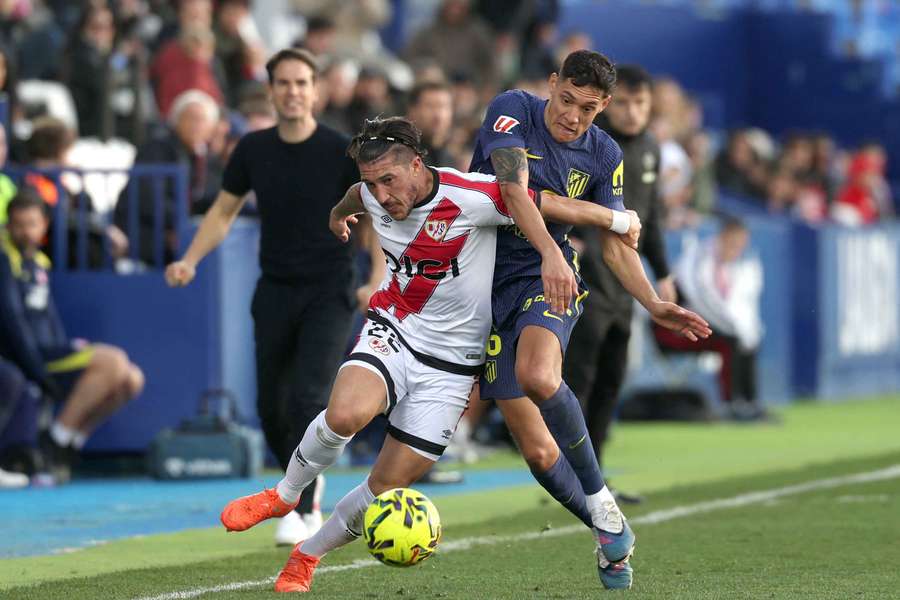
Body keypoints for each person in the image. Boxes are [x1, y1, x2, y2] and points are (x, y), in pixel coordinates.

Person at [216, 115, 663, 593]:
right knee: (345, 414)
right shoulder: (369, 193)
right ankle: (284, 496)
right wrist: (336, 213)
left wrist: (614, 217)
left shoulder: (470, 195)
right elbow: (353, 199)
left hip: (452, 369)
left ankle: (305, 558)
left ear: (417, 163)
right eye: (372, 183)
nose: (383, 195)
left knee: (384, 489)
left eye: (389, 180)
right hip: (395, 331)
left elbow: (545, 204)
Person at [469, 50, 711, 589]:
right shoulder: (511, 109)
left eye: (587, 108)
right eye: (566, 100)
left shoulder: (604, 155)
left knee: (539, 376)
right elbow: (513, 190)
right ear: (551, 84)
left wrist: (652, 303)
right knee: (535, 450)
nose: (572, 116)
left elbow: (619, 246)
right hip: (477, 279)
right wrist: (573, 236)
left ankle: (601, 499)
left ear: (603, 106)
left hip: (542, 278)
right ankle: (611, 530)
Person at [164, 48, 383, 546]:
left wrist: (374, 278)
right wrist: (190, 259)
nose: (292, 91)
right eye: (283, 83)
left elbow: (371, 216)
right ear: (270, 90)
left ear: (316, 89)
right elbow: (222, 212)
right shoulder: (251, 149)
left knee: (308, 396)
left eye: (301, 82)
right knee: (269, 407)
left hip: (330, 289)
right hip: (275, 288)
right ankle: (305, 481)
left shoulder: (339, 150)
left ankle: (300, 502)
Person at [564, 65, 675, 504]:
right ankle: (570, 474)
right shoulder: (593, 145)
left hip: (625, 284)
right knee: (578, 379)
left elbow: (654, 215)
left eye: (641, 103)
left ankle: (596, 474)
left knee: (611, 379)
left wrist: (662, 270)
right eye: (625, 102)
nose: (633, 112)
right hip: (585, 279)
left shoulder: (649, 148)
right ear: (611, 104)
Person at [0, 190, 144, 483]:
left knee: (131, 379)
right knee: (113, 360)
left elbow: (48, 316)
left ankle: (70, 443)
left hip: (51, 351)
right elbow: (12, 320)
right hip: (31, 357)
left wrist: (65, 345)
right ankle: (53, 440)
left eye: (32, 224)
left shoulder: (39, 262)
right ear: (8, 226)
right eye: (19, 224)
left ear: (44, 225)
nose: (26, 232)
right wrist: (37, 371)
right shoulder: (5, 260)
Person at [654, 218, 766, 421]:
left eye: (741, 246)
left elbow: (738, 305)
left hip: (697, 327)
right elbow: (700, 299)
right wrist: (733, 329)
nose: (737, 250)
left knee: (748, 342)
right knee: (731, 341)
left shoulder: (730, 266)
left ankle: (751, 403)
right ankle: (732, 404)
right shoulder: (699, 258)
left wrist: (746, 332)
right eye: (733, 244)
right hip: (671, 330)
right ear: (722, 238)